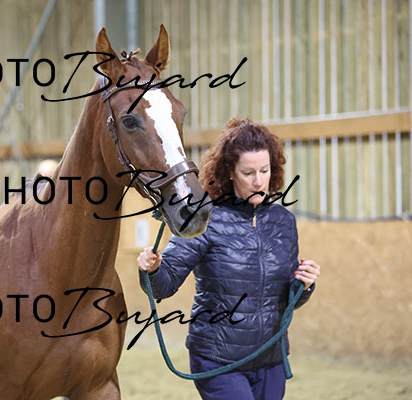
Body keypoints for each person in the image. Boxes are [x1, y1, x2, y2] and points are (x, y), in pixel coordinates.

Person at [137, 118, 320, 400]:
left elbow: (286, 300)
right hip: (218, 361)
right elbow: (164, 285)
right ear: (230, 173)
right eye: (248, 172)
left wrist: (304, 285)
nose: (258, 181)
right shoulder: (205, 218)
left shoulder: (284, 222)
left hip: (271, 359)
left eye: (265, 170)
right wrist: (153, 269)